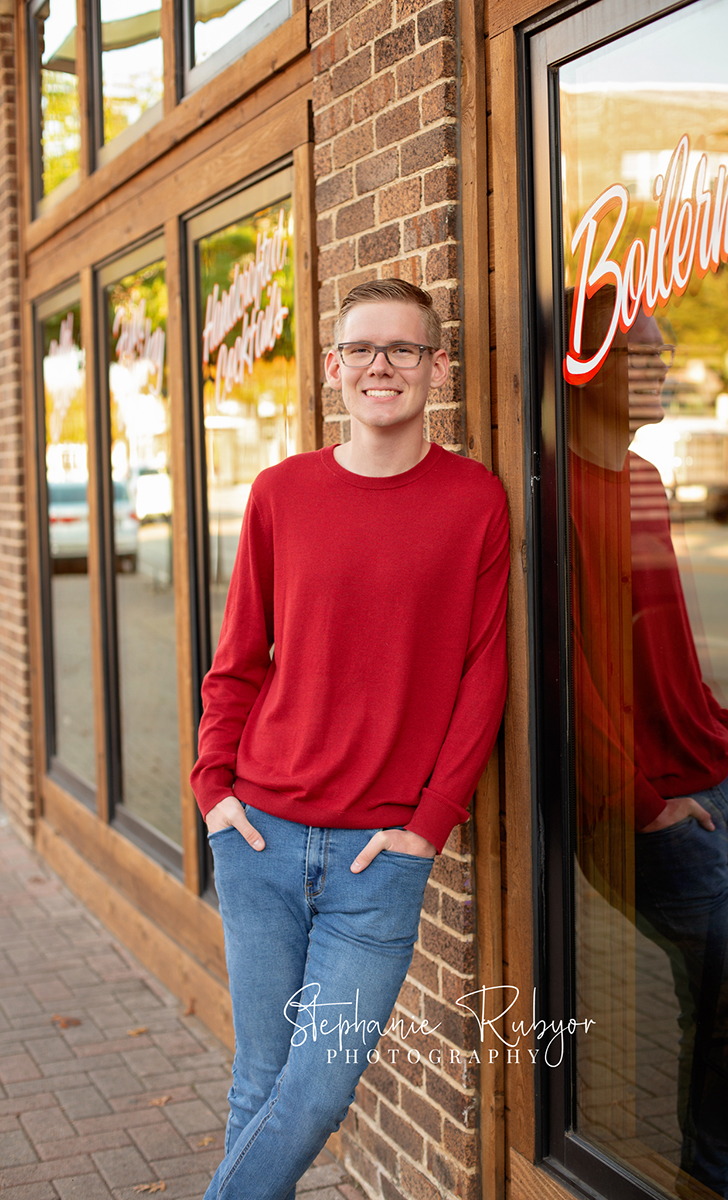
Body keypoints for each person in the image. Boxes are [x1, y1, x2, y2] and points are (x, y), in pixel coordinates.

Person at [190, 279, 510, 1200]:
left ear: (436, 367)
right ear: (332, 368)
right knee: (259, 1082)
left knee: (319, 1086)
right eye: (362, 349)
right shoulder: (282, 494)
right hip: (260, 840)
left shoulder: (474, 502)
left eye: (403, 349)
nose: (381, 365)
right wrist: (215, 793)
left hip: (381, 859)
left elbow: (482, 678)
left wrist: (429, 824)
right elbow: (239, 658)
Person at [569, 291, 728, 1200]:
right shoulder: (553, 491)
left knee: (723, 1007)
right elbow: (567, 672)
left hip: (716, 777)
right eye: (639, 348)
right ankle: (719, 1169)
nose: (661, 356)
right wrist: (642, 803)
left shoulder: (640, 478)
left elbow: (657, 626)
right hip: (658, 814)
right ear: (583, 365)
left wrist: (720, 725)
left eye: (661, 344)